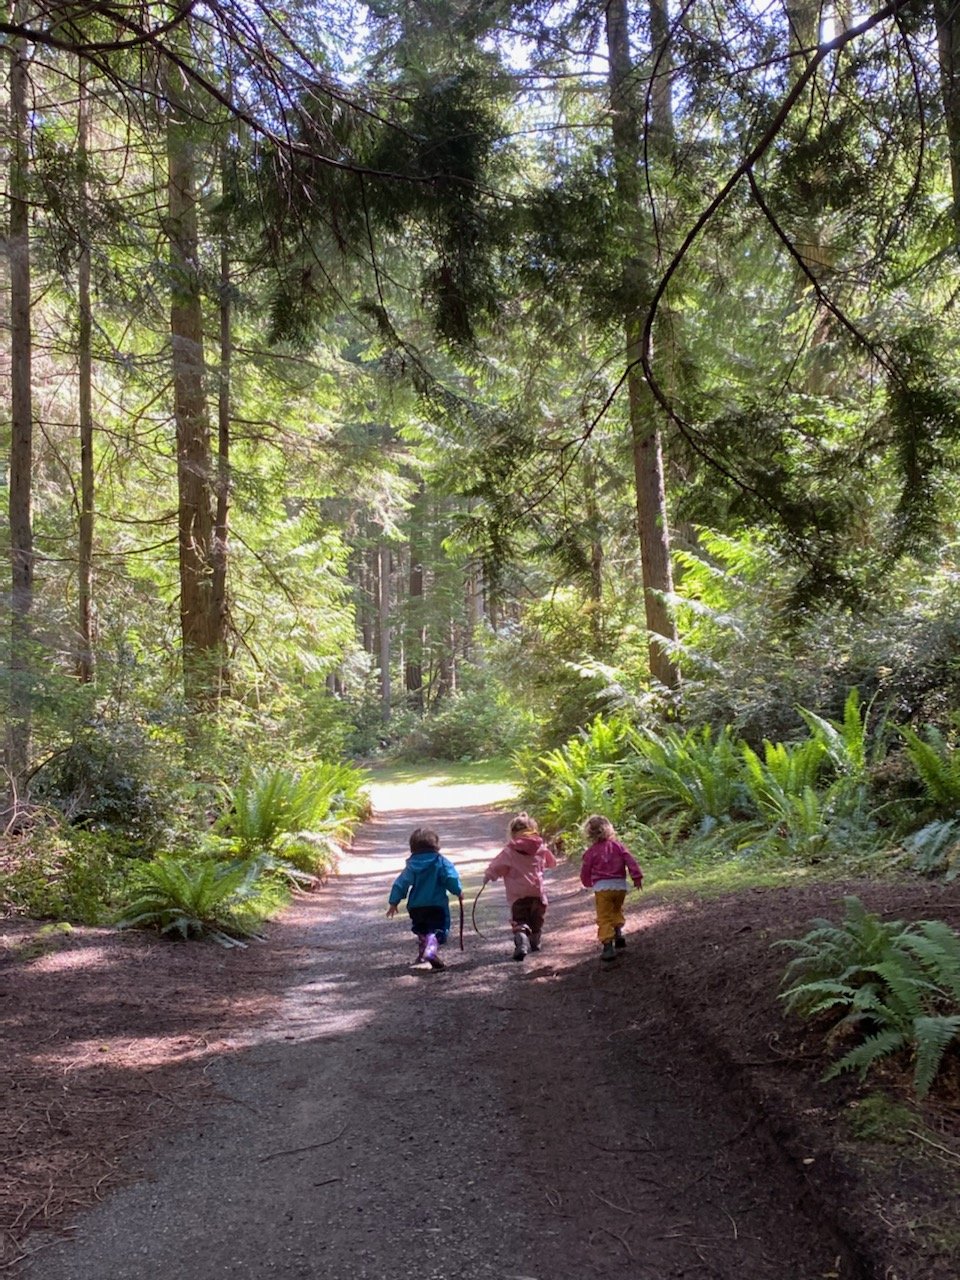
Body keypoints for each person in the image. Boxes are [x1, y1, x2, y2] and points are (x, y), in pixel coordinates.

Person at [483, 812, 557, 961]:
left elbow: (497, 866)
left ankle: (522, 940)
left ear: (512, 832)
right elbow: (552, 863)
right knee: (537, 920)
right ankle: (535, 941)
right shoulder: (541, 847)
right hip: (537, 894)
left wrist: (489, 876)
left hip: (518, 896)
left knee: (520, 921)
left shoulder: (509, 851)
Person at [387, 827, 463, 970]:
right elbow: (450, 877)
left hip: (416, 906)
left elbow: (401, 883)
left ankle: (423, 954)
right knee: (437, 930)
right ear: (436, 845)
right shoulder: (440, 862)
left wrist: (394, 902)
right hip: (437, 905)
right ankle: (430, 951)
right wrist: (458, 891)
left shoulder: (412, 865)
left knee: (422, 929)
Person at [579, 814, 643, 963]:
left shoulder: (591, 852)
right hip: (620, 886)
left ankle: (608, 946)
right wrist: (637, 877)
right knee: (616, 909)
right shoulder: (618, 846)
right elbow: (630, 860)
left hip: (603, 888)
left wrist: (587, 882)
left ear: (589, 833)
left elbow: (586, 869)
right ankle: (618, 933)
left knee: (604, 916)